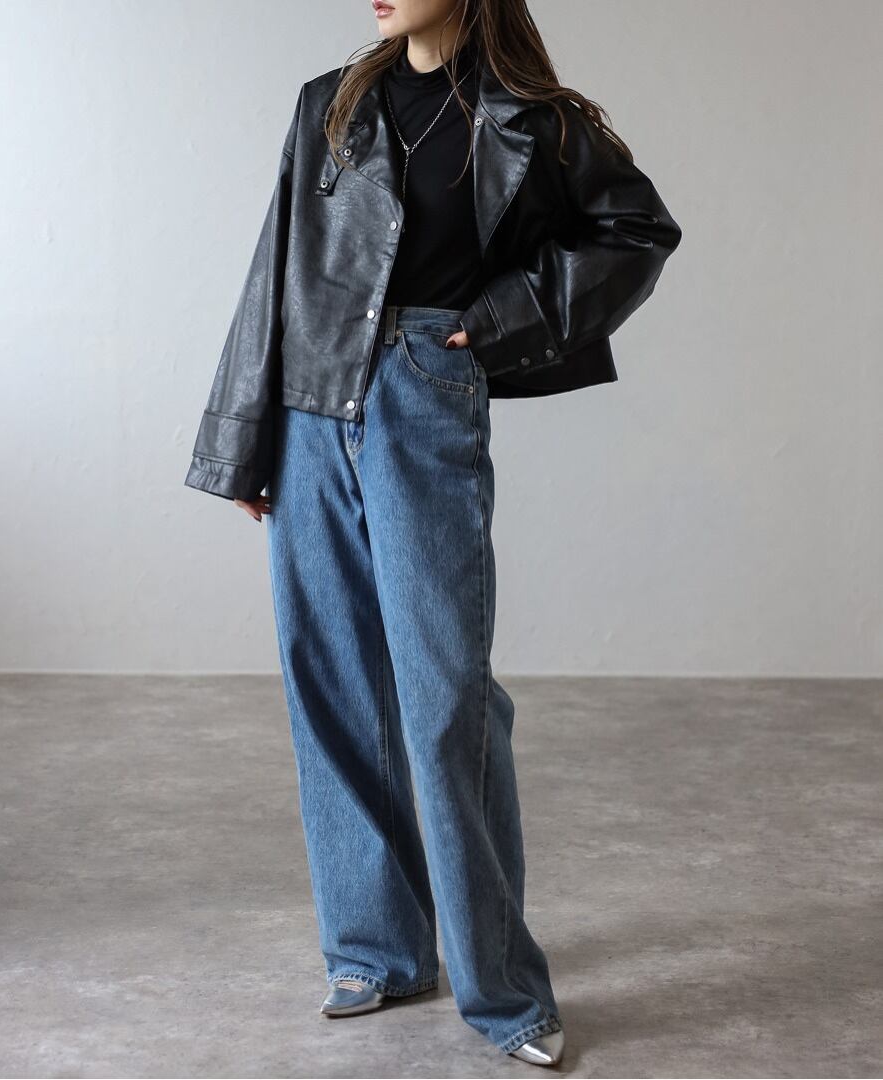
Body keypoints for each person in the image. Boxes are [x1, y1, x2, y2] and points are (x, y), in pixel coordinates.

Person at [184, 0, 682, 1066]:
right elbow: (276, 269)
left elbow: (637, 232)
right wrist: (242, 438)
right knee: (332, 683)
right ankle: (376, 952)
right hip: (312, 406)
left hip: (424, 391)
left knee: (447, 698)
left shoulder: (536, 119)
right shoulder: (331, 103)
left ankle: (503, 991)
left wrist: (497, 321)